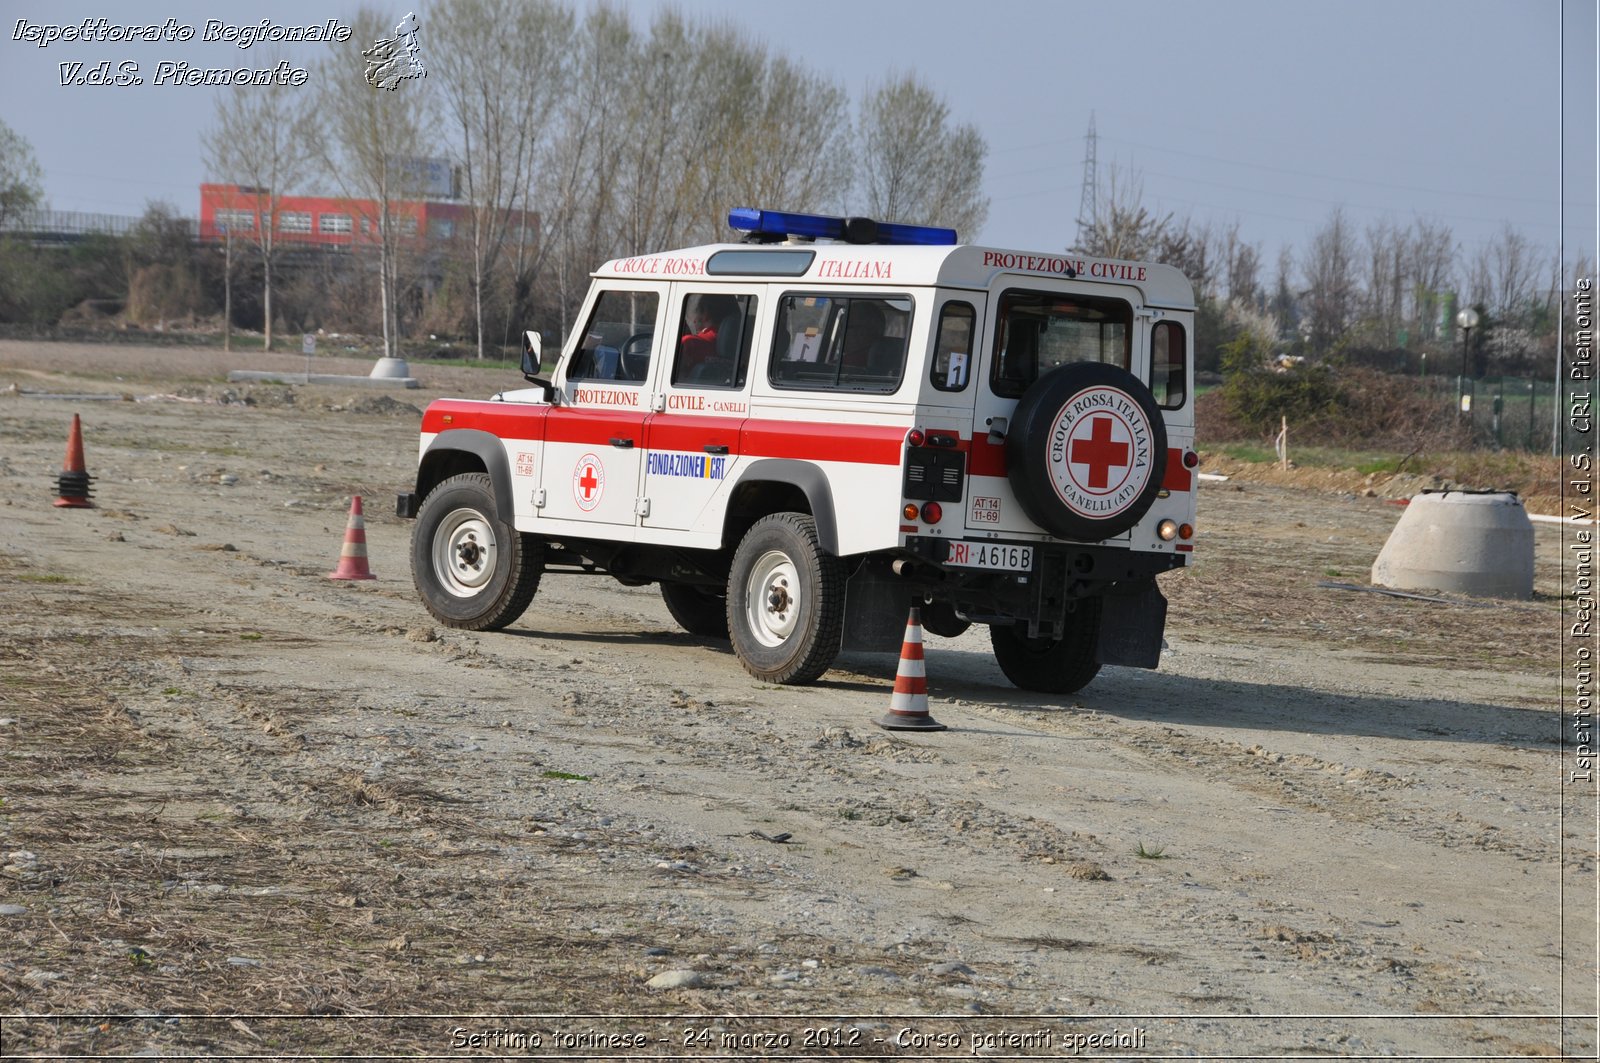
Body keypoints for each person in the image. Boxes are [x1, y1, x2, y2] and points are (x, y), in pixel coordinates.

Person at [676, 294, 740, 381]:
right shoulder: (743, 349)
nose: (694, 320)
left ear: (705, 313)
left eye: (697, 311)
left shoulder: (689, 343)